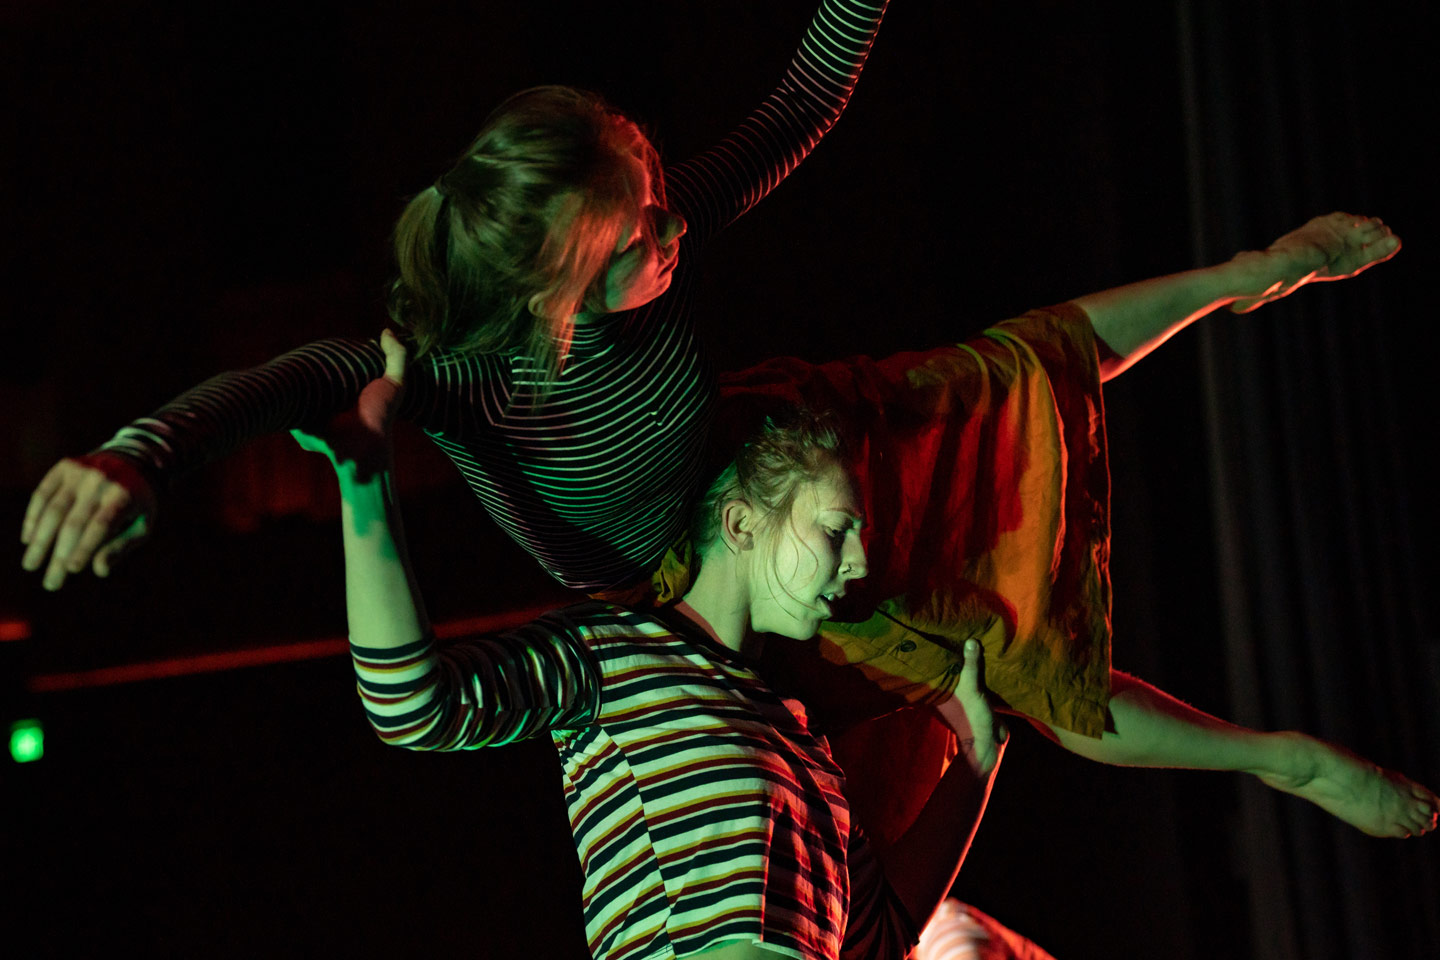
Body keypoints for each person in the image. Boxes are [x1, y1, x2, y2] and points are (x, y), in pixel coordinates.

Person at [17, 0, 1433, 841]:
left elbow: (805, 93)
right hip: (705, 565)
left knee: (1014, 367)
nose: (669, 229)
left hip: (783, 437)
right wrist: (129, 455)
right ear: (557, 297)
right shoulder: (451, 374)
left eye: (654, 194)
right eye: (638, 236)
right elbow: (280, 388)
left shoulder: (657, 221)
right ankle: (1278, 760)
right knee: (1003, 662)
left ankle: (1255, 273)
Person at [297, 329, 1007, 959]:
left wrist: (977, 757)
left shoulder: (805, 747)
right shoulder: (612, 653)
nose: (856, 560)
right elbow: (412, 702)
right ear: (739, 523)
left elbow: (879, 939)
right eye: (834, 528)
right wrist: (365, 481)